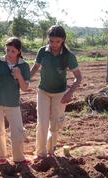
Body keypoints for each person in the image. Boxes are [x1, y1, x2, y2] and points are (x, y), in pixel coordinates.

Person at [30, 25, 82, 160]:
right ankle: (41, 153)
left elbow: (78, 77)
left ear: (63, 40)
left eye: (57, 41)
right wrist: (24, 80)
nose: (54, 44)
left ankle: (51, 151)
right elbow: (35, 68)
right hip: (43, 91)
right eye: (51, 41)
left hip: (60, 93)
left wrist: (70, 92)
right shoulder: (42, 51)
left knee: (55, 123)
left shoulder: (68, 56)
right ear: (48, 39)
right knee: (42, 122)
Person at [0, 37, 30, 168]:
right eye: (7, 50)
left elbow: (25, 88)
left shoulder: (23, 65)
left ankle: (19, 158)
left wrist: (19, 76)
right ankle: (1, 158)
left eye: (13, 51)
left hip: (13, 103)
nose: (9, 54)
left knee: (17, 131)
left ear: (19, 51)